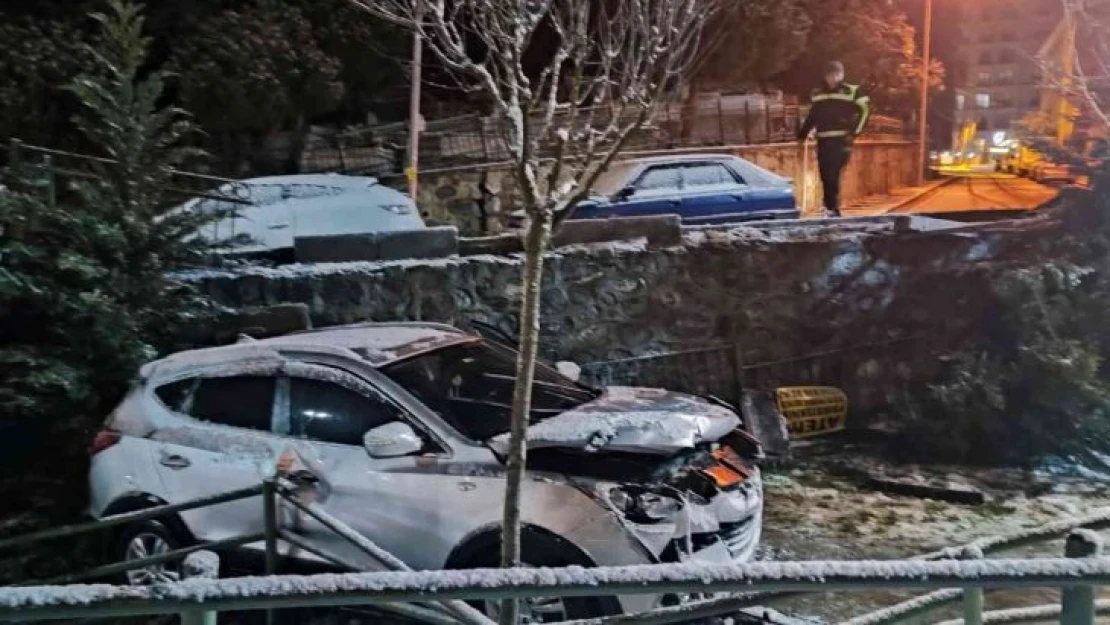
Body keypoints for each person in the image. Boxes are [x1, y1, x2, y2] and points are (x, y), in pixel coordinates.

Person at [797, 61, 872, 217]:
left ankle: (832, 207)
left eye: (836, 74)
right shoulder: (818, 93)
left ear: (842, 74)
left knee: (833, 174)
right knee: (825, 175)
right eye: (830, 75)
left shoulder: (852, 91)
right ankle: (830, 208)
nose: (833, 78)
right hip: (823, 140)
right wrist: (803, 134)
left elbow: (865, 110)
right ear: (825, 76)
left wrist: (855, 131)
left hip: (841, 140)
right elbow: (813, 115)